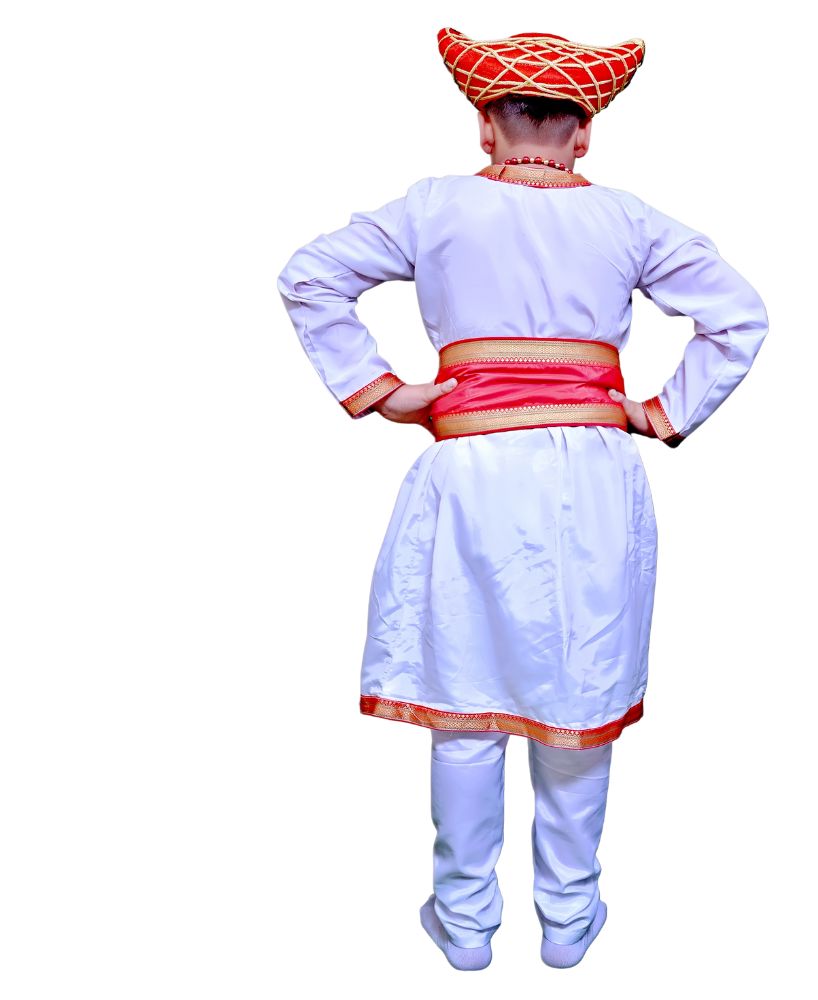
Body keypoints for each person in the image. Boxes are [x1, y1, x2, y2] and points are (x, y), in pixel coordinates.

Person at [276, 27, 769, 971]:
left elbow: (310, 276)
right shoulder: (627, 220)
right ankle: (569, 921)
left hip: (474, 472)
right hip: (593, 478)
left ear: (483, 126)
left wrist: (385, 391)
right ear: (583, 134)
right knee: (578, 685)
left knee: (466, 698)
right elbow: (740, 314)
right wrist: (663, 410)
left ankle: (466, 927)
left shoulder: (433, 206)